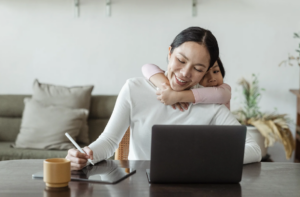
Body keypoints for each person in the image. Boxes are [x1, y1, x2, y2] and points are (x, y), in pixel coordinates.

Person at [66, 27, 261, 170]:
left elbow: (253, 149)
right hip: (139, 188)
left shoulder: (211, 104)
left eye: (198, 69)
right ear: (169, 53)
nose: (185, 73)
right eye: (181, 60)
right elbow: (109, 142)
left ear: (206, 72)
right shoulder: (134, 89)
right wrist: (84, 154)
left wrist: (209, 157)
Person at [141, 57, 231, 111]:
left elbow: (220, 95)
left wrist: (176, 96)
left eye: (216, 71)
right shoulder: (189, 86)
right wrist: (167, 89)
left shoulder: (224, 89)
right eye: (204, 75)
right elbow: (147, 67)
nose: (212, 79)